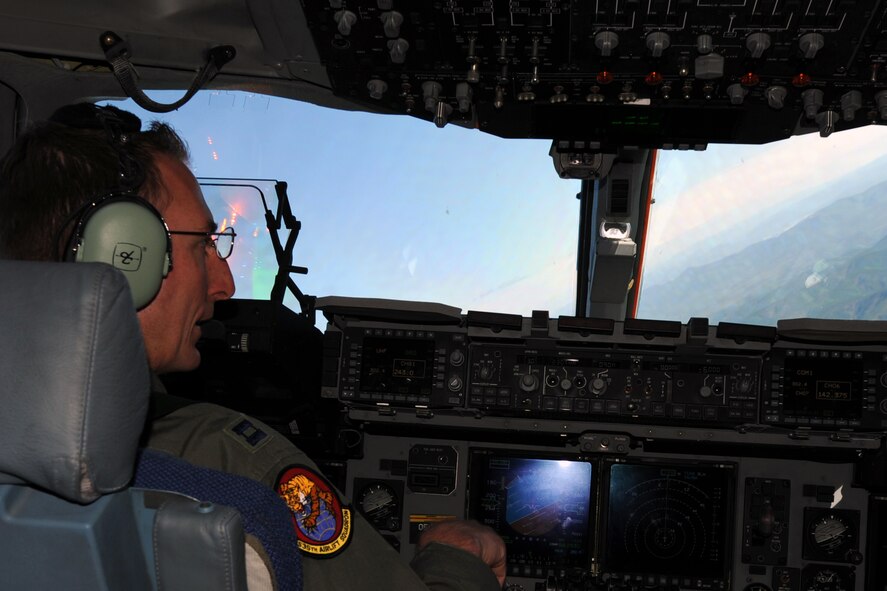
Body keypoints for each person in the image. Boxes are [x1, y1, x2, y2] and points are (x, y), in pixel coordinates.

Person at [0, 102, 506, 590]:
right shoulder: (228, 471)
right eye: (204, 245)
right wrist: (455, 556)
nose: (223, 285)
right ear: (122, 255)